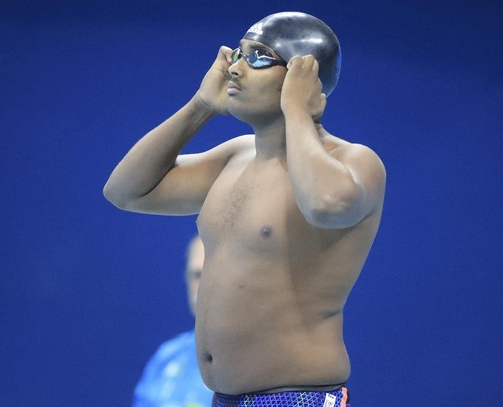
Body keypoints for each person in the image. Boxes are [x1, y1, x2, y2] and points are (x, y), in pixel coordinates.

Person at [105, 11, 385, 407]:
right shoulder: (233, 157)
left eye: (258, 57)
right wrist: (200, 105)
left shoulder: (355, 161)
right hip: (223, 398)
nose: (235, 68)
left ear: (302, 77)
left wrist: (299, 113)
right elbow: (125, 192)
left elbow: (325, 205)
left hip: (297, 398)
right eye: (239, 53)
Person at [133, 235, 213, 407]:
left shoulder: (266, 362)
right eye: (197, 275)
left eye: (214, 273)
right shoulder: (167, 357)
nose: (204, 286)